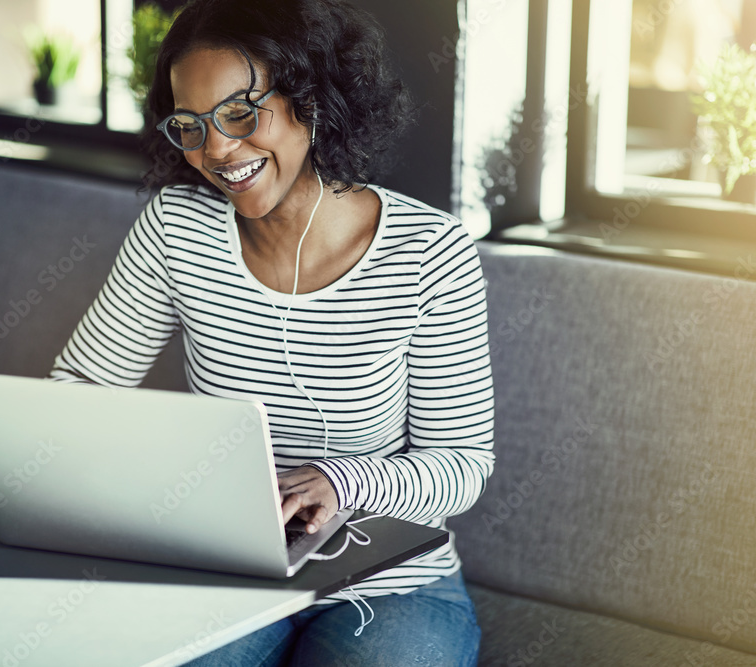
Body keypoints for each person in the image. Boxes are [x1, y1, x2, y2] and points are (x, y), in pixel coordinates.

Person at [49, 0, 494, 664]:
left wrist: (341, 482)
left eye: (239, 113)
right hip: (225, 570)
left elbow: (463, 465)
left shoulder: (430, 254)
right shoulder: (177, 229)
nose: (217, 151)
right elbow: (79, 390)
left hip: (390, 584)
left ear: (310, 98)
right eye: (190, 126)